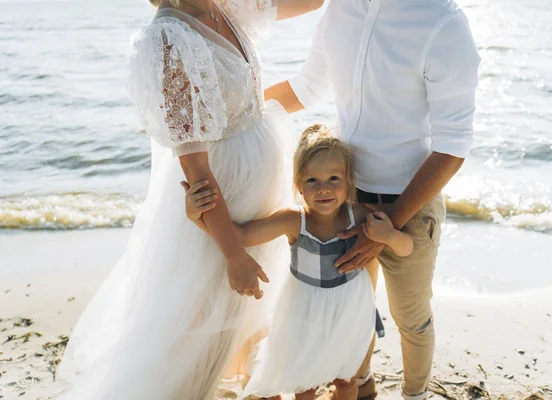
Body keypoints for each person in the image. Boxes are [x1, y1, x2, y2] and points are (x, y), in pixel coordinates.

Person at [57, 0, 322, 398]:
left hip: (259, 190)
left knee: (247, 318)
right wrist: (234, 255)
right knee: (199, 330)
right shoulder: (168, 39)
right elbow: (197, 175)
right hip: (222, 201)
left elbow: (310, 2)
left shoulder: (226, 7)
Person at [264, 0, 481, 398]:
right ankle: (362, 386)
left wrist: (392, 224)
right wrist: (235, 111)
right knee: (353, 308)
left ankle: (414, 395)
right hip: (345, 200)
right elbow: (306, 87)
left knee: (409, 318)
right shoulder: (338, 10)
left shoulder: (443, 22)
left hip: (411, 203)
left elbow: (453, 146)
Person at [184, 124, 413, 400]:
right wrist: (196, 217)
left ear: (349, 181)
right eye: (312, 181)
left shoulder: (361, 216)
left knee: (346, 380)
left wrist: (388, 235)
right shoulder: (295, 221)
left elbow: (405, 248)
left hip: (350, 311)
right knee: (305, 385)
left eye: (334, 178)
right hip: (305, 313)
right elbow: (240, 235)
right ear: (298, 185)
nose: (323, 189)